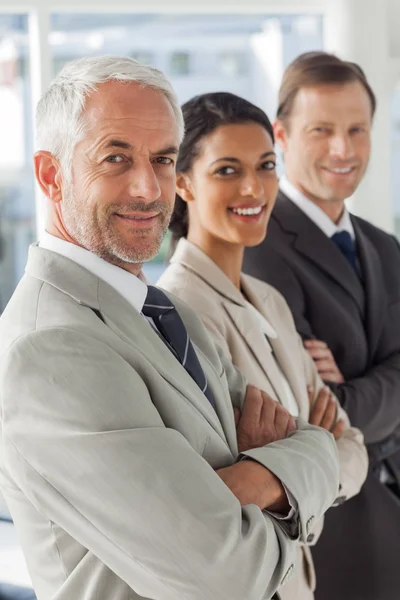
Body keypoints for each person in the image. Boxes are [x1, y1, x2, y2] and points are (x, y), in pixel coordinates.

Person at [0, 56, 341, 600]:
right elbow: (222, 576)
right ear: (49, 175)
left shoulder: (165, 312)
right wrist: (279, 481)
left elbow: (323, 444)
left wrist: (255, 480)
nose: (147, 188)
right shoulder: (49, 349)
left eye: (161, 160)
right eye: (115, 158)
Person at [158, 91, 367, 600]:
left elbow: (352, 449)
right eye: (227, 169)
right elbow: (226, 494)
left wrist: (285, 463)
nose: (254, 186)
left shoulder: (269, 301)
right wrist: (312, 448)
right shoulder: (177, 312)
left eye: (266, 165)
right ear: (182, 182)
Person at [243, 51, 400, 600]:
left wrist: (346, 385)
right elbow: (303, 413)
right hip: (324, 541)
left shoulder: (384, 247)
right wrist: (373, 379)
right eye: (322, 130)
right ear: (281, 136)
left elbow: (337, 401)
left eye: (358, 129)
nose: (344, 149)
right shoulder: (256, 250)